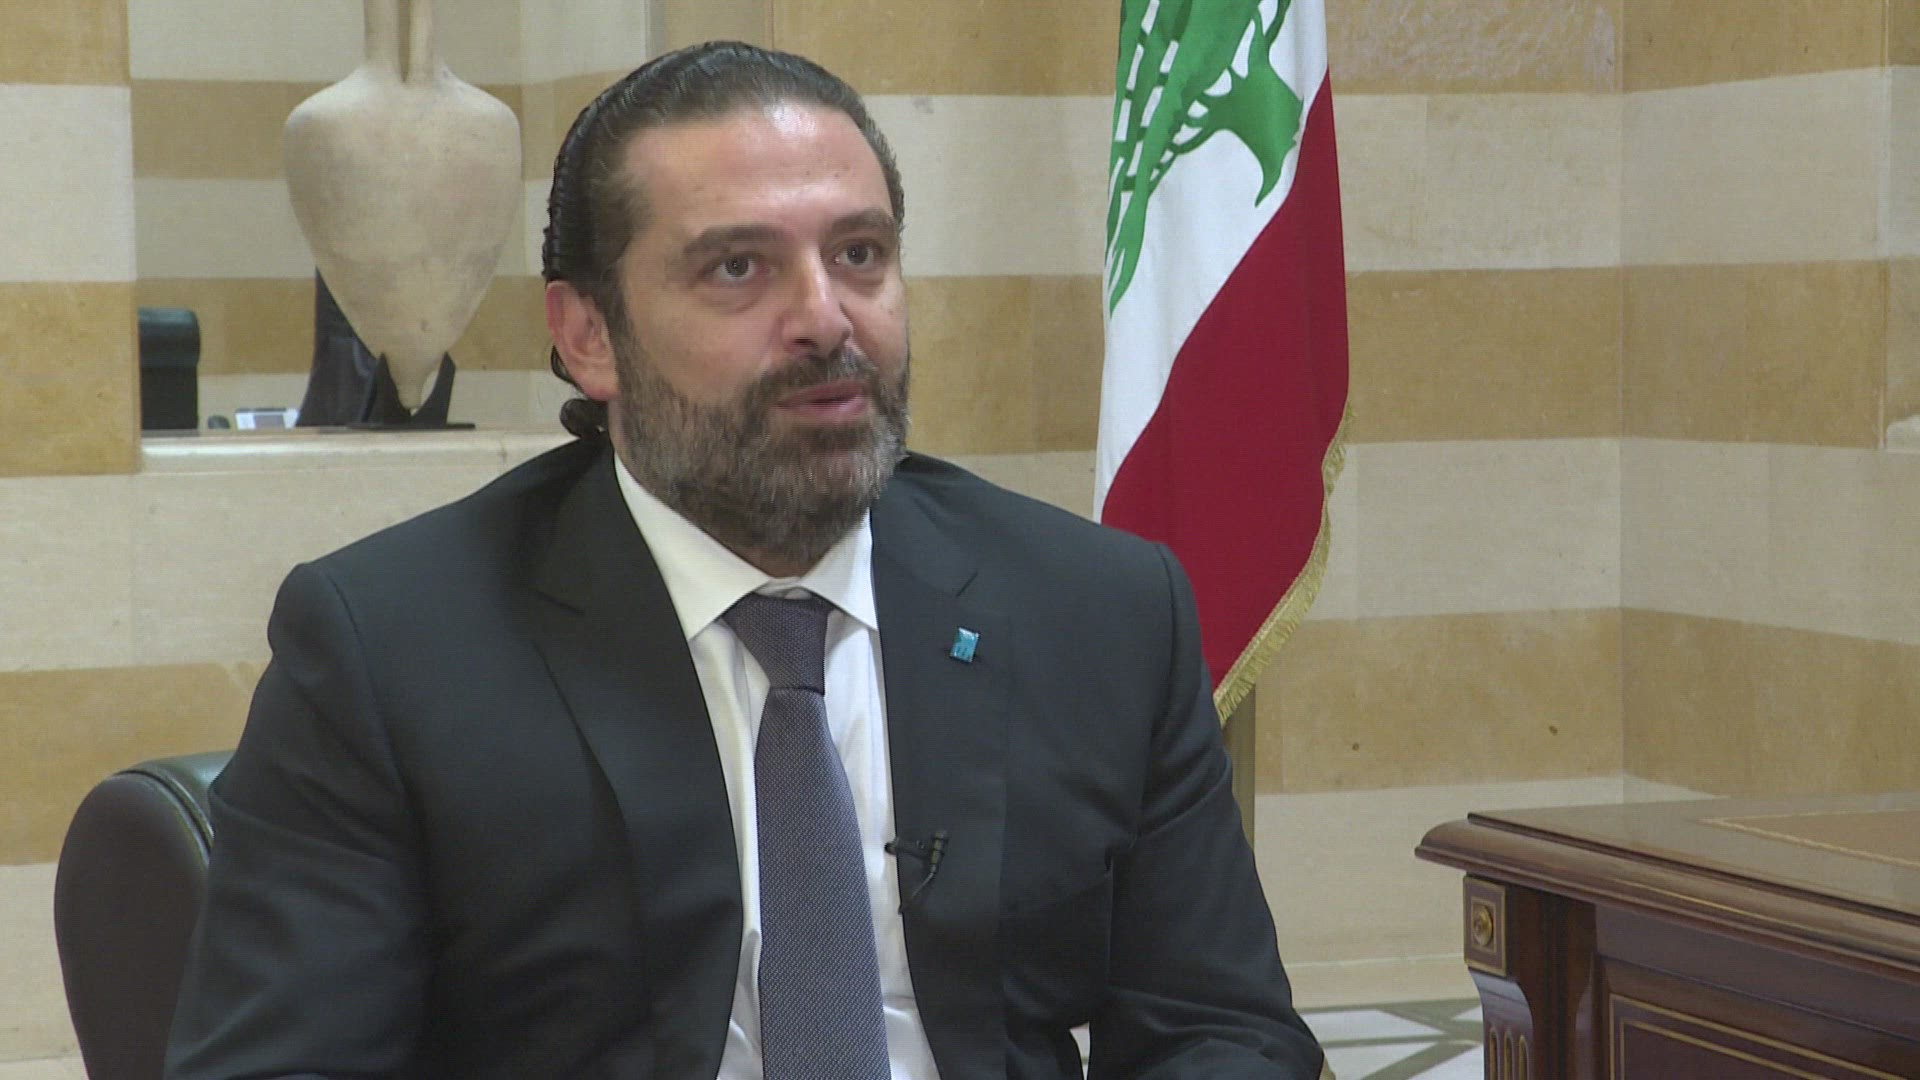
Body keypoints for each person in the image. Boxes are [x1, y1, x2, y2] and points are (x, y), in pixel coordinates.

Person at [165, 41, 1326, 1080]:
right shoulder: (391, 650)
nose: (827, 317)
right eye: (738, 269)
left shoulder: (1102, 610)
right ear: (588, 335)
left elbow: (1222, 1030)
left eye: (860, 254)